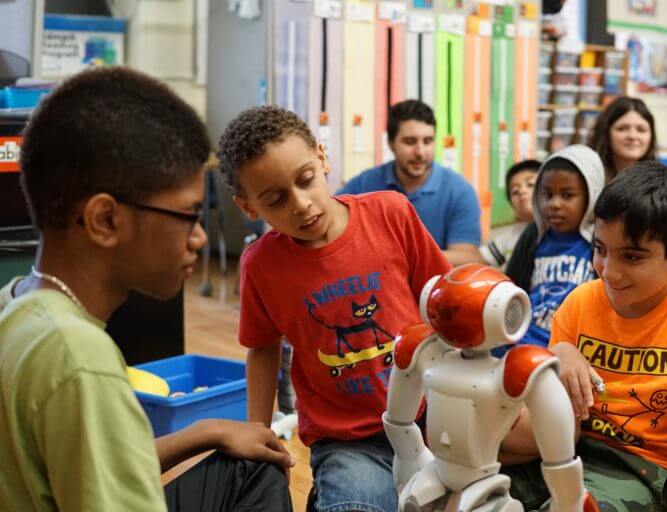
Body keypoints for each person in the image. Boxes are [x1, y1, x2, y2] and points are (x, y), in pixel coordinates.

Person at [0, 68, 293, 512]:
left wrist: (206, 431)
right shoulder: (80, 359)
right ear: (105, 220)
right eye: (187, 215)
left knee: (248, 465)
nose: (196, 237)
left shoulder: (17, 300)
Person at [217, 105, 452, 512]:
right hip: (349, 440)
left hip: (434, 417)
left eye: (306, 180)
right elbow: (262, 346)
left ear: (322, 158)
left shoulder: (391, 213)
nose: (302, 204)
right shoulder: (260, 266)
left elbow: (444, 299)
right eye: (276, 200)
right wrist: (259, 430)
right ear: (248, 207)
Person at [500, 161, 667, 511]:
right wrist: (560, 350)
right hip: (563, 450)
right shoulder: (580, 302)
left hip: (642, 468)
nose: (610, 271)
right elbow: (551, 400)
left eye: (632, 256)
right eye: (600, 249)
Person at [336, 99, 483, 265]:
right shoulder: (365, 184)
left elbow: (467, 258)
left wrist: (398, 255)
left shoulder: (460, 191)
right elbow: (330, 224)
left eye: (427, 141)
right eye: (410, 142)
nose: (420, 152)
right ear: (391, 143)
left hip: (436, 287)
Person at [503, 145, 605, 351]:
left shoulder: (601, 241)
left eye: (567, 195)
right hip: (525, 341)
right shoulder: (533, 236)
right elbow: (512, 288)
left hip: (576, 348)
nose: (554, 204)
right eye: (547, 195)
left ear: (591, 196)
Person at [479, 159, 540, 269]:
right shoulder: (510, 236)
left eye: (530, 184)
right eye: (515, 191)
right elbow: (479, 259)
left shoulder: (559, 233)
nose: (522, 191)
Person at [589, 96, 657, 182]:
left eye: (641, 130)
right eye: (622, 129)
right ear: (605, 133)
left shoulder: (661, 183)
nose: (632, 136)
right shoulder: (590, 179)